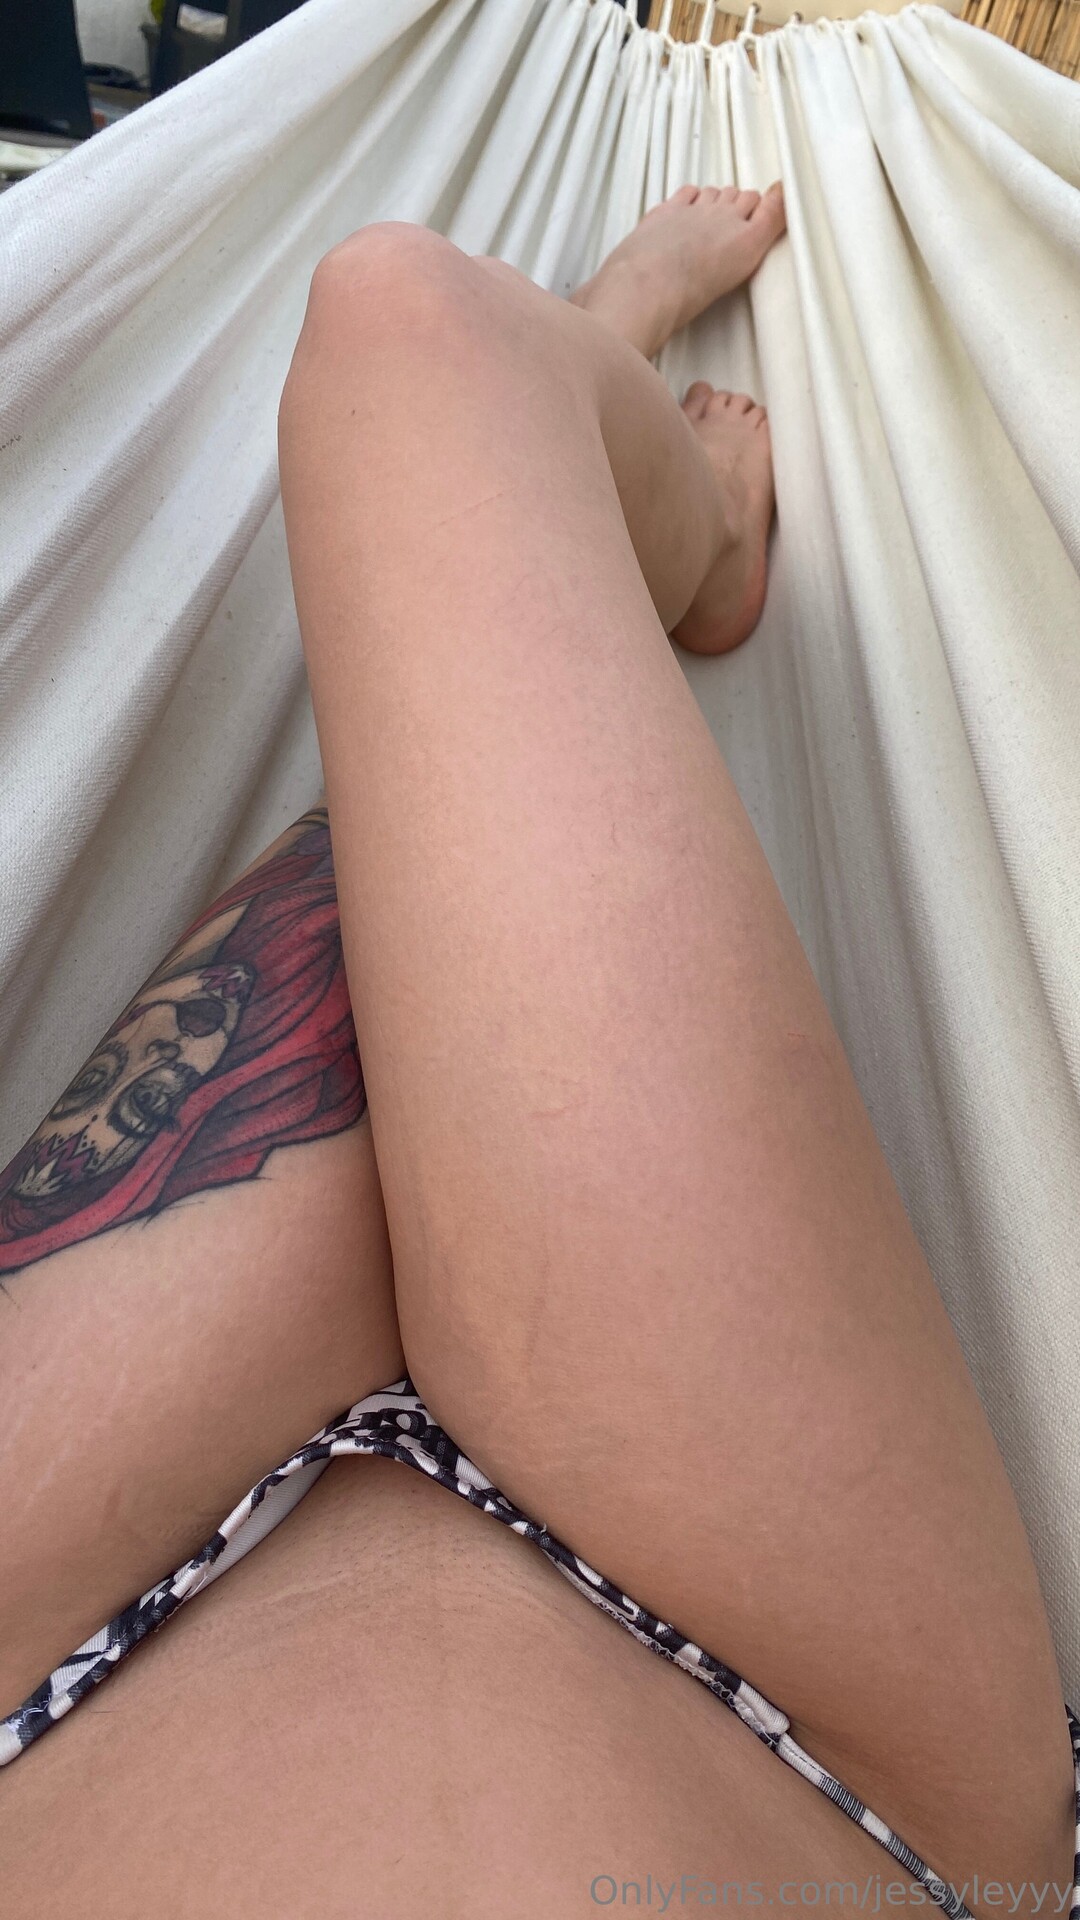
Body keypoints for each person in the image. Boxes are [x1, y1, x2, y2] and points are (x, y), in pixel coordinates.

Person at [0, 185, 1076, 1917]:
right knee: (432, 369)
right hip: (815, 1744)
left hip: (37, 1675)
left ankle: (610, 410)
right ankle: (648, 501)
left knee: (406, 330)